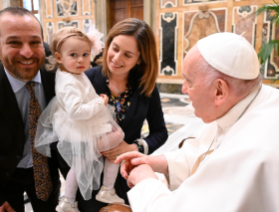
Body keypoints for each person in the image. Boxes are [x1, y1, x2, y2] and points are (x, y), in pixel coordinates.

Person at [115, 32, 279, 212]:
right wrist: (159, 162)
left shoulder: (252, 149)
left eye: (189, 82)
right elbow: (205, 152)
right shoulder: (245, 101)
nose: (184, 89)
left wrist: (144, 179)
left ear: (219, 91)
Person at [0, 6, 67, 212]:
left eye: (34, 42)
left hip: (46, 170)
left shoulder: (59, 76)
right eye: (14, 42)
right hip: (1, 176)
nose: (27, 52)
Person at [76, 18, 168, 211]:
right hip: (89, 179)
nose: (117, 58)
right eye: (115, 48)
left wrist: (133, 147)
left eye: (127, 55)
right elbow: (68, 128)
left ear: (140, 58)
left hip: (127, 180)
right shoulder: (87, 80)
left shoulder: (146, 88)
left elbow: (160, 132)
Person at [35, 27, 125, 212]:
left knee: (80, 164)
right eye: (74, 55)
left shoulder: (72, 73)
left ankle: (69, 201)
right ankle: (106, 188)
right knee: (117, 137)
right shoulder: (68, 81)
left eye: (85, 54)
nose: (81, 60)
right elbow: (76, 111)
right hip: (80, 126)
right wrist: (100, 103)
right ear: (59, 58)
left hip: (81, 126)